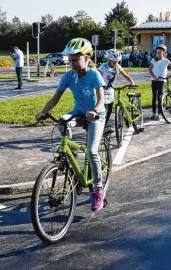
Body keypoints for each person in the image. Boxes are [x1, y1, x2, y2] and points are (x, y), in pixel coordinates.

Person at [35, 38, 107, 212]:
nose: (72, 63)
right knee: (61, 122)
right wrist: (43, 112)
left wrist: (95, 111)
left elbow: (101, 100)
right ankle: (71, 154)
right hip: (78, 111)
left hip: (96, 114)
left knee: (91, 151)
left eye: (76, 59)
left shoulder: (94, 75)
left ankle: (97, 190)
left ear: (87, 59)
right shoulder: (68, 76)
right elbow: (55, 98)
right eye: (70, 60)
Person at [97, 49, 135, 126]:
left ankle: (104, 126)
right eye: (114, 61)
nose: (116, 63)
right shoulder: (103, 67)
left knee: (109, 110)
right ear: (108, 59)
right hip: (102, 91)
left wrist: (131, 82)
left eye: (117, 61)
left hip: (111, 90)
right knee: (104, 110)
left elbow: (125, 76)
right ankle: (101, 126)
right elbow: (97, 76)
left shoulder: (117, 66)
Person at [148, 44, 171, 120]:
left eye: (160, 53)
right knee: (154, 97)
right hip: (154, 80)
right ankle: (153, 113)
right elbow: (149, 70)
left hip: (162, 81)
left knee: (159, 97)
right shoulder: (153, 60)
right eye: (157, 52)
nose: (158, 54)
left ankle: (159, 114)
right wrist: (154, 77)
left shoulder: (166, 60)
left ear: (164, 53)